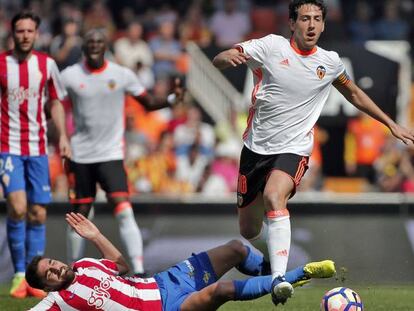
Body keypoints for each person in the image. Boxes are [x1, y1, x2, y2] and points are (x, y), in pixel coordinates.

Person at [212, 0, 414, 306]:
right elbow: (223, 58)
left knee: (274, 197)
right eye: (304, 18)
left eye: (317, 19)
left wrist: (389, 123)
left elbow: (355, 94)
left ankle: (279, 280)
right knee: (249, 229)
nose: (311, 25)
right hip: (255, 149)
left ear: (323, 24)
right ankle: (270, 264)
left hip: (294, 149)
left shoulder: (329, 62)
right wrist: (227, 57)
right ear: (292, 23)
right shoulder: (270, 47)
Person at [61, 29, 184, 276]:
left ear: (106, 46)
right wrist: (59, 136)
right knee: (80, 214)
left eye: (99, 41)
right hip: (80, 156)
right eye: (90, 42)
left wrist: (172, 99)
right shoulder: (70, 76)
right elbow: (54, 106)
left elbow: (148, 102)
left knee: (123, 208)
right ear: (83, 47)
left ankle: (138, 270)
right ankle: (72, 271)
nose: (95, 45)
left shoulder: (121, 74)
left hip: (111, 155)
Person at [27, 212, 336, 310]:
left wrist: (95, 234)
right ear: (46, 286)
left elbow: (120, 266)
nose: (55, 268)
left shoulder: (84, 265)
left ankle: (273, 277)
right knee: (221, 291)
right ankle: (295, 275)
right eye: (49, 273)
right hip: (164, 308)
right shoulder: (57, 302)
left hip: (164, 281)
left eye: (51, 262)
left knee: (236, 249)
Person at [0, 11, 71, 299]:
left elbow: (55, 102)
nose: (25, 36)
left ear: (37, 33)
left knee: (38, 213)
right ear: (13, 33)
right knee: (17, 207)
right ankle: (19, 274)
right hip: (8, 147)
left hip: (39, 149)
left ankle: (36, 279)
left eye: (30, 31)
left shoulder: (47, 65)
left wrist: (63, 135)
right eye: (20, 31)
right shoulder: (2, 64)